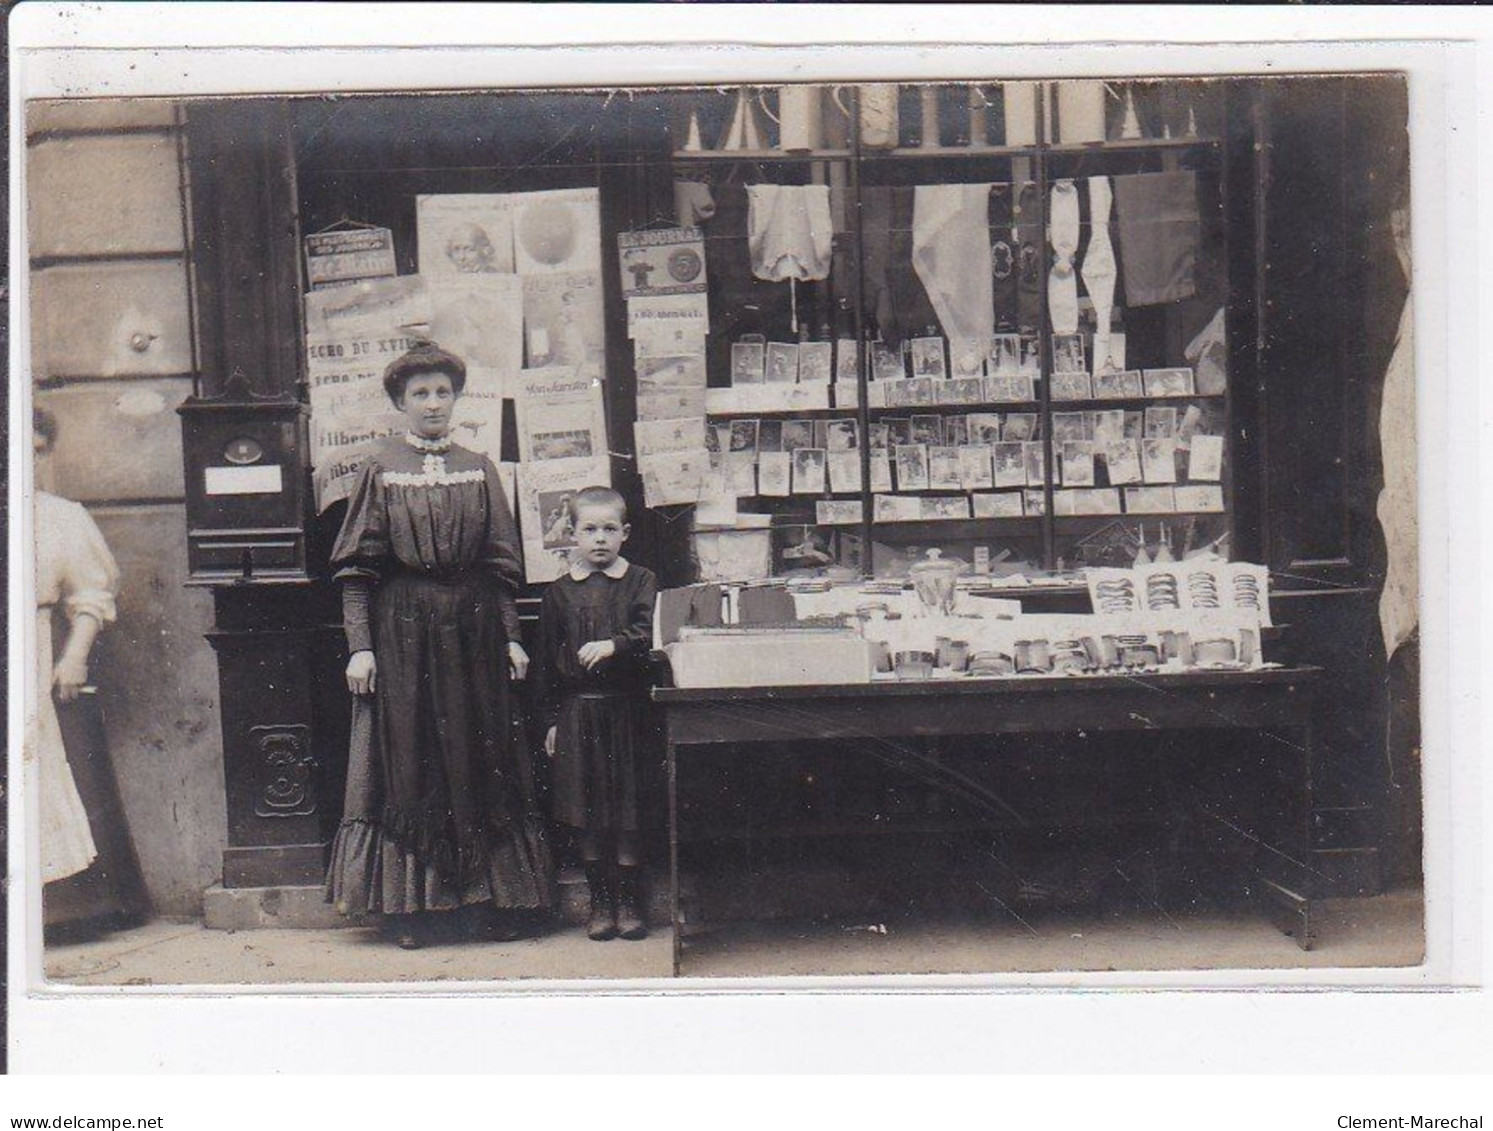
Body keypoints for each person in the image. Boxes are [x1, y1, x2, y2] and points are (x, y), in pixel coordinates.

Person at [324, 342, 551, 948]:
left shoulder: (479, 467)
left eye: (441, 392)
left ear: (456, 398)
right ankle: (413, 908)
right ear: (400, 402)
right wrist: (360, 646)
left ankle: (488, 899)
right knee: (411, 757)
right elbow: (355, 570)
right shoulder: (379, 467)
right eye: (419, 394)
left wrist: (511, 637)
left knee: (481, 756)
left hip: (474, 629)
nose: (432, 404)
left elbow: (500, 562)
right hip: (403, 634)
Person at [534, 487, 658, 941]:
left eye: (610, 529)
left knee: (627, 811)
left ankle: (629, 902)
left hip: (626, 712)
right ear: (572, 535)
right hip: (577, 716)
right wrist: (550, 720)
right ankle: (600, 902)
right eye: (590, 529)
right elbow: (546, 664)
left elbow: (648, 635)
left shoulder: (641, 580)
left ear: (625, 533)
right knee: (588, 813)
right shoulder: (560, 593)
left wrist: (615, 645)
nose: (600, 539)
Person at [32, 409, 126, 897]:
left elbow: (90, 594)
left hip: (37, 646)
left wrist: (74, 655)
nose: (26, 461)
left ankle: (68, 906)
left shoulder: (61, 517)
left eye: (37, 451)